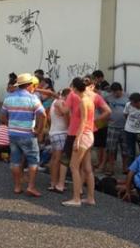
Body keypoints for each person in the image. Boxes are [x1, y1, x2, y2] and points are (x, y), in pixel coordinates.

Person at [0, 73, 46, 197]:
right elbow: (43, 115)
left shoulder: (9, 98)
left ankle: (17, 186)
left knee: (15, 160)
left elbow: (2, 116)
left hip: (13, 134)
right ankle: (30, 187)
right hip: (28, 134)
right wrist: (39, 129)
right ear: (29, 85)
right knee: (33, 160)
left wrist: (10, 124)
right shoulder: (33, 98)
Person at [62, 77, 96, 207]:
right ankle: (90, 198)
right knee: (87, 168)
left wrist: (77, 139)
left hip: (83, 136)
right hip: (89, 135)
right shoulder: (90, 100)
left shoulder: (83, 101)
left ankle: (76, 198)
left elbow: (83, 122)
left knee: (74, 166)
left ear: (75, 88)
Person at [47, 88, 70, 193]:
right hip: (60, 133)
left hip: (54, 132)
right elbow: (67, 120)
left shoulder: (54, 102)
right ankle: (54, 183)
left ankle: (53, 181)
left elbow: (49, 117)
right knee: (58, 159)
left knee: (54, 158)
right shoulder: (61, 103)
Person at [105, 82, 129, 175]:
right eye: (113, 92)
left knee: (125, 149)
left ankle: (125, 167)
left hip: (124, 127)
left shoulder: (127, 97)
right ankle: (111, 168)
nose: (115, 94)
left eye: (117, 92)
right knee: (111, 149)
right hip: (112, 127)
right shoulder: (108, 97)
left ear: (121, 90)